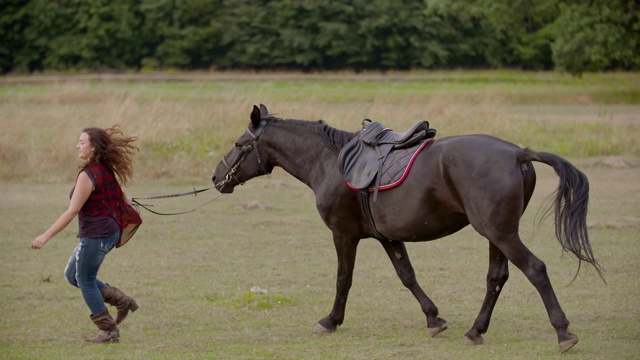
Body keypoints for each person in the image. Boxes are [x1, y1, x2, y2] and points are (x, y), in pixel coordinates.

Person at [31, 125, 142, 344]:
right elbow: (123, 198)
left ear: (93, 148)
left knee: (85, 280)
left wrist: (45, 236)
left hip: (96, 235)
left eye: (82, 142)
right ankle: (122, 301)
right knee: (73, 275)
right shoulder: (105, 169)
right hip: (108, 233)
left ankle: (109, 331)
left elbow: (72, 211)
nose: (77, 146)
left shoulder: (88, 174)